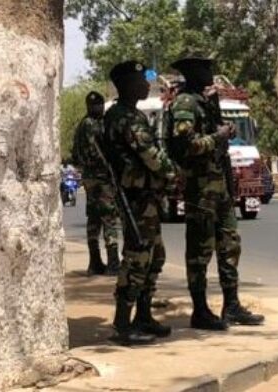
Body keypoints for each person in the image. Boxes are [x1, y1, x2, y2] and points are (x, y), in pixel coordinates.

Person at [167, 57, 265, 330]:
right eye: (205, 69)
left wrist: (224, 130)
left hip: (219, 186)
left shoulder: (205, 102)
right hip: (200, 188)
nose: (211, 73)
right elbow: (184, 146)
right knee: (199, 251)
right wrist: (217, 137)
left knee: (230, 245)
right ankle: (200, 310)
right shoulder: (185, 104)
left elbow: (214, 136)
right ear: (192, 73)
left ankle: (231, 305)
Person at [103, 61, 177, 345]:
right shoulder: (126, 118)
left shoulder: (128, 114)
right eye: (142, 81)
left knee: (154, 256)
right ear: (128, 86)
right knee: (137, 257)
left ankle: (143, 315)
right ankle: (123, 323)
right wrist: (172, 174)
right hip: (135, 197)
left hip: (145, 196)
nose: (147, 85)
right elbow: (152, 156)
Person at [71, 92, 120, 276]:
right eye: (96, 105)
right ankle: (112, 262)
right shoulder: (92, 124)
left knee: (94, 218)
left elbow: (76, 153)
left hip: (90, 178)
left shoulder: (82, 124)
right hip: (101, 177)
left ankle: (95, 261)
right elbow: (96, 150)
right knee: (109, 218)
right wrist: (108, 168)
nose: (98, 108)